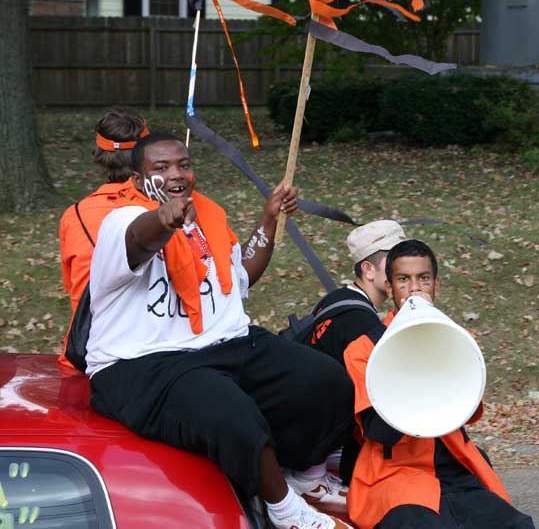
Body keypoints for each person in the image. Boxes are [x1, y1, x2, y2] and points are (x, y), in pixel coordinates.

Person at [85, 132, 353, 529]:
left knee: (326, 381)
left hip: (223, 343)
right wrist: (163, 218)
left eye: (184, 165)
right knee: (232, 414)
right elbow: (139, 239)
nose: (176, 174)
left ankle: (306, 478)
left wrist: (269, 218)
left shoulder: (207, 217)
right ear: (140, 180)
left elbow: (241, 275)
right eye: (161, 168)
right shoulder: (121, 221)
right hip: (142, 362)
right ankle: (286, 512)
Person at [343, 240, 535, 529]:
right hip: (395, 479)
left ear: (437, 285)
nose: (415, 289)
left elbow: (466, 411)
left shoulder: (456, 338)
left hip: (455, 475)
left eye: (424, 279)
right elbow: (379, 431)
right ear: (389, 286)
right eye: (403, 280)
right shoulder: (363, 349)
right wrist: (407, 353)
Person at [58, 106, 148, 368]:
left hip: (85, 352)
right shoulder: (164, 214)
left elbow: (72, 286)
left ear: (100, 156)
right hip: (149, 351)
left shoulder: (73, 216)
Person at [302, 220, 406, 365]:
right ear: (368, 270)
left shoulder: (339, 297)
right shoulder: (362, 325)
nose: (406, 267)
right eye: (395, 260)